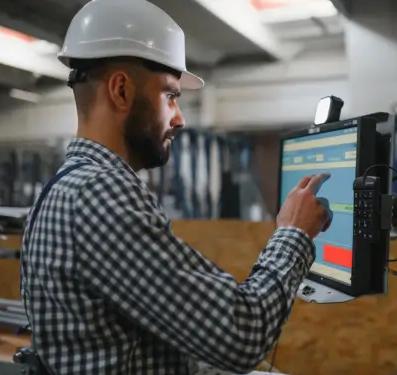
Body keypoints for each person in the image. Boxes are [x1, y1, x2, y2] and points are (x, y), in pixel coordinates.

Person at [20, 0, 331, 374]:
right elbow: (241, 335)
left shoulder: (65, 186)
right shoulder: (98, 194)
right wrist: (294, 233)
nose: (180, 118)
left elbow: (142, 342)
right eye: (170, 95)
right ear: (121, 91)